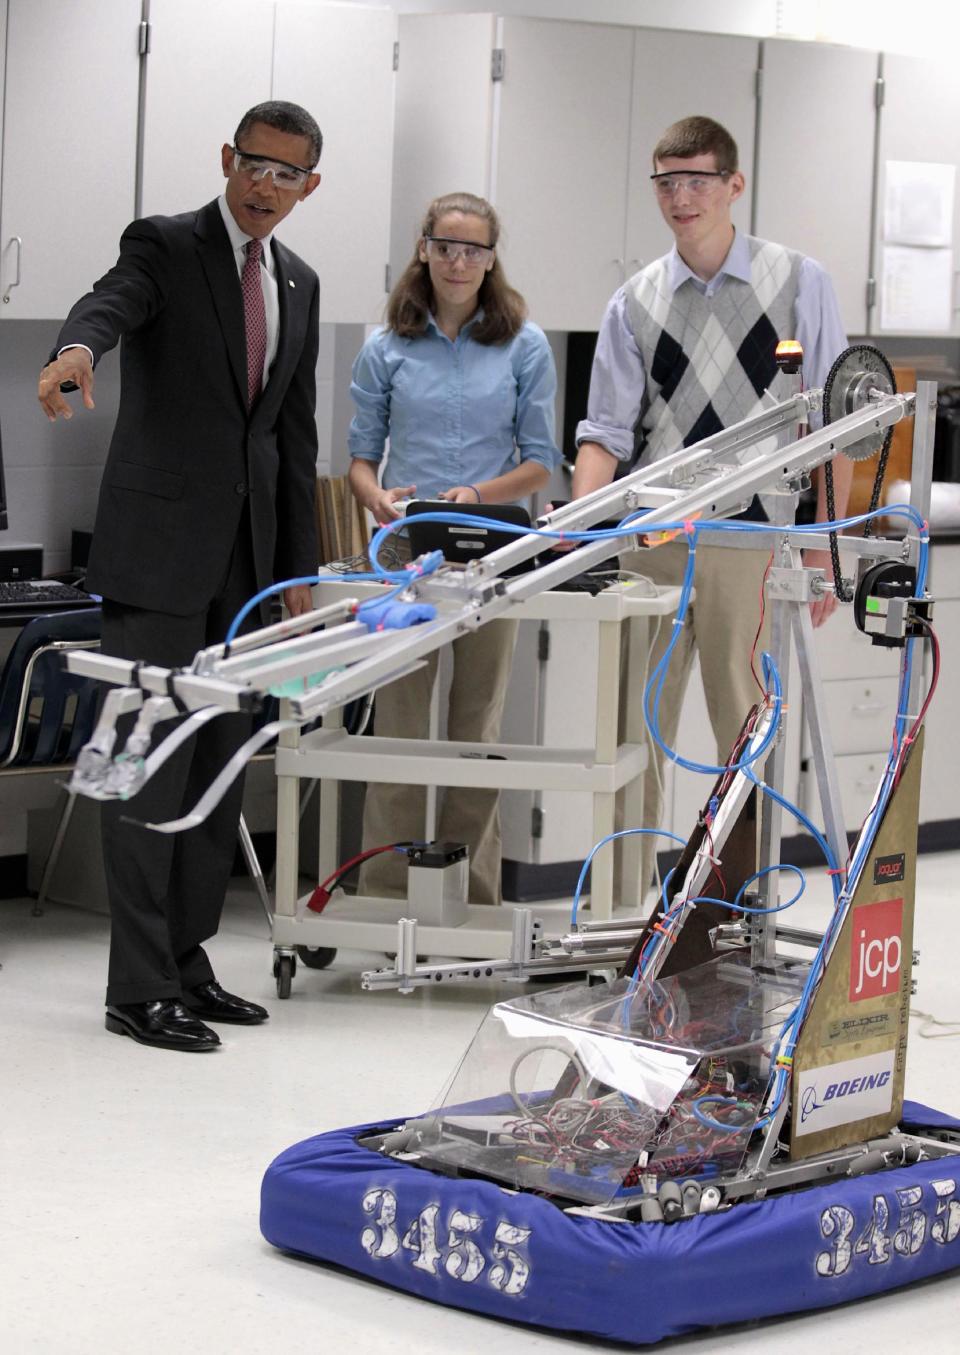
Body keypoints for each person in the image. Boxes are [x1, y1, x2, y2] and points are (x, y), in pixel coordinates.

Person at [36, 101, 323, 1051]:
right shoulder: (166, 244)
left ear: (309, 186)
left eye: (287, 174)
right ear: (228, 159)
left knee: (217, 775)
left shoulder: (299, 282)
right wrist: (75, 351)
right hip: (158, 566)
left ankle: (188, 965)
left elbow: (288, 438)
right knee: (140, 773)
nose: (266, 185)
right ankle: (137, 985)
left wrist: (299, 578)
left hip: (244, 580)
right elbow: (108, 303)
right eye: (254, 164)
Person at [572, 115, 850, 900]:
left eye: (698, 181)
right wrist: (576, 530)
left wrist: (825, 545)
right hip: (654, 531)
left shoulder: (799, 281)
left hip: (752, 536)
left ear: (735, 184)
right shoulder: (635, 299)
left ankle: (744, 901)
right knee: (635, 726)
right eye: (667, 182)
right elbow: (606, 430)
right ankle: (625, 906)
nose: (681, 198)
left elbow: (833, 420)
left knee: (745, 728)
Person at [348, 191, 559, 905]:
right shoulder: (387, 345)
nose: (459, 261)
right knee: (400, 726)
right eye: (446, 246)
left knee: (477, 725)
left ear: (492, 258)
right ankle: (382, 891)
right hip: (407, 552)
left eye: (474, 249)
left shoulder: (524, 344)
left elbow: (541, 462)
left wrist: (474, 495)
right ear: (425, 249)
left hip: (492, 549)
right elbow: (358, 459)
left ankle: (470, 893)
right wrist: (373, 495)